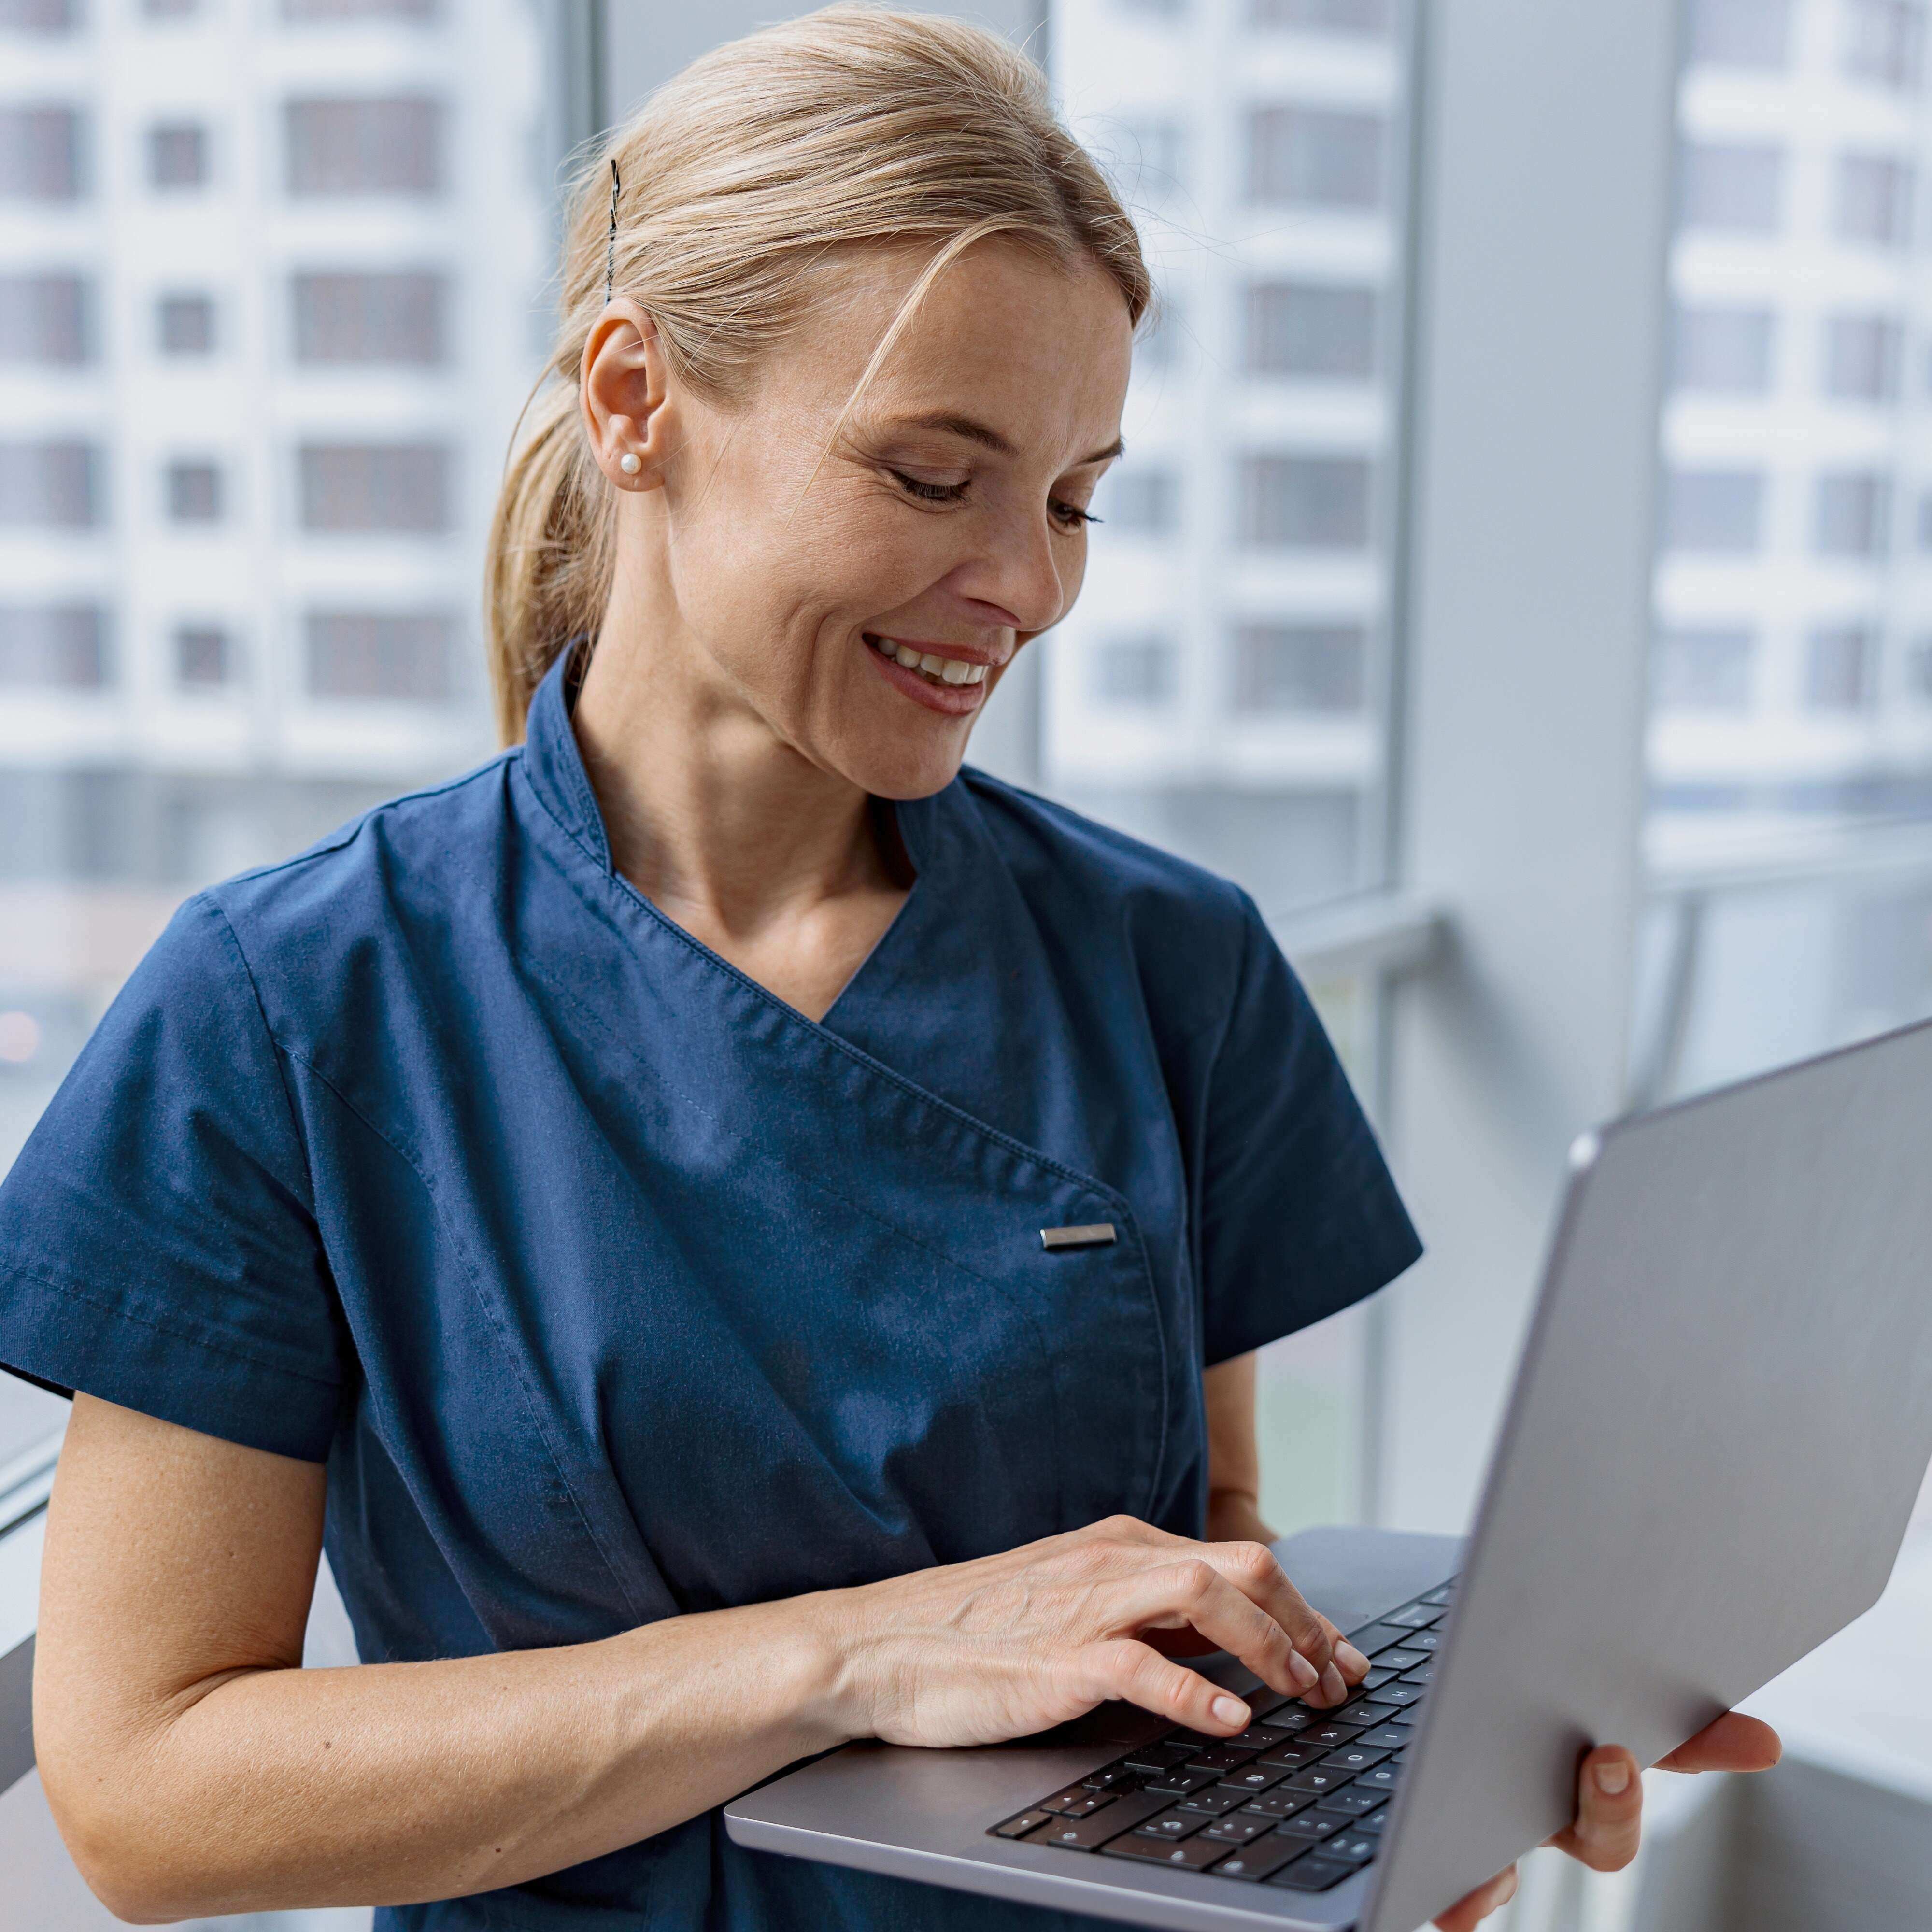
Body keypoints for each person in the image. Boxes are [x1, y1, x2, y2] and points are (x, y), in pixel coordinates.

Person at [0, 10, 1777, 1930]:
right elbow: (149, 1793)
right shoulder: (285, 1007)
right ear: (632, 398)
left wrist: (1351, 1807)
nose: (1027, 581)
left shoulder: (1173, 960)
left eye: (1077, 494)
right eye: (936, 477)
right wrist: (854, 1653)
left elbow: (1219, 1541)